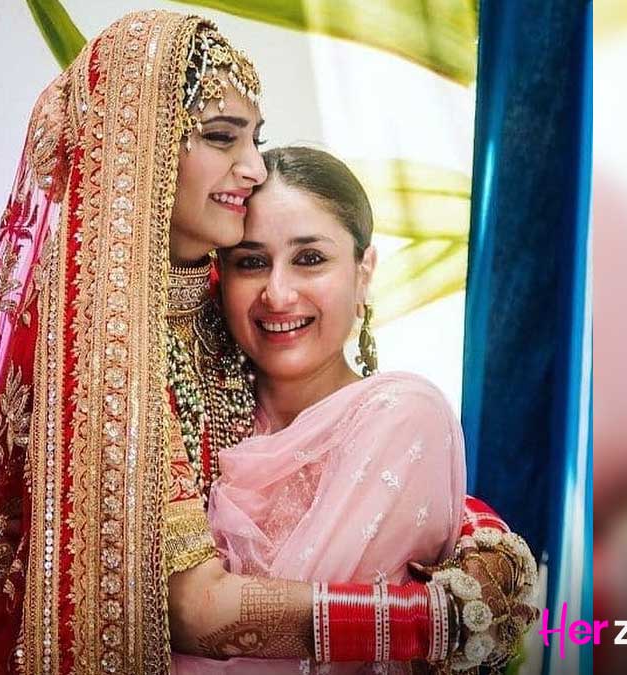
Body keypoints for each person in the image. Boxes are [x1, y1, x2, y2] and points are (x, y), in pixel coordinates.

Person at [0, 11, 534, 674]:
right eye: (223, 137)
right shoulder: (100, 339)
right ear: (141, 141)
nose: (252, 168)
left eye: (256, 139)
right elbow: (197, 610)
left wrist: (482, 535)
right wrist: (433, 619)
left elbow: (338, 468)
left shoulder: (210, 298)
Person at [171, 146, 472, 674]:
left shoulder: (403, 417)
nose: (278, 293)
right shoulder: (197, 413)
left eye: (309, 259)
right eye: (251, 262)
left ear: (363, 272)